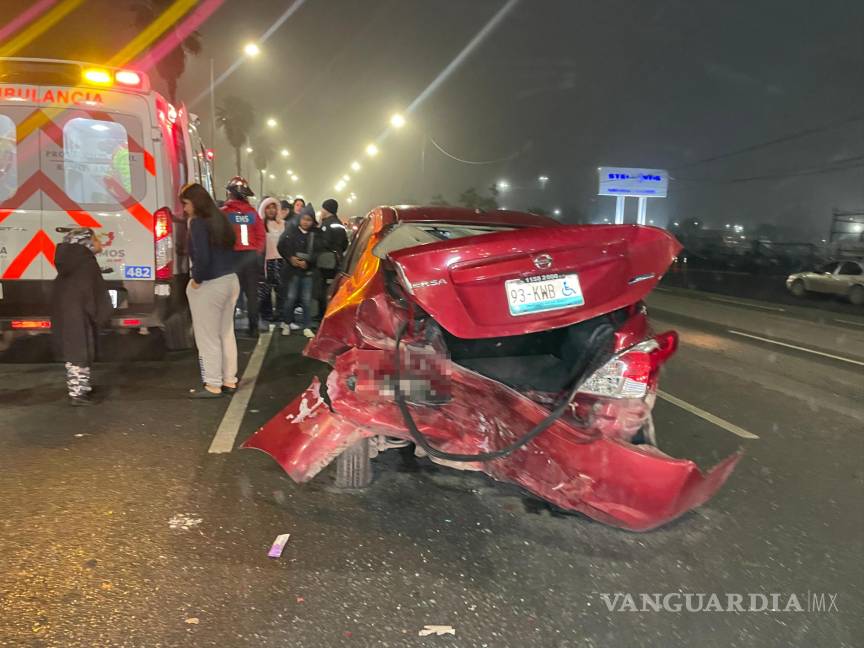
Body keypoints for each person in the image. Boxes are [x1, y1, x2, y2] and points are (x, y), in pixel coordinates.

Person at [181, 183, 240, 399]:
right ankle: (229, 380)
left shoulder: (197, 222)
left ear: (195, 202)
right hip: (231, 279)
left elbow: (202, 257)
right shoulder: (220, 218)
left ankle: (213, 384)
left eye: (186, 204)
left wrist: (196, 279)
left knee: (207, 337)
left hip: (210, 284)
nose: (184, 209)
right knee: (226, 333)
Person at [51, 228, 113, 406]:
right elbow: (93, 291)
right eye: (95, 240)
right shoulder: (86, 263)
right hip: (81, 312)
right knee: (80, 351)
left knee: (75, 349)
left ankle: (81, 388)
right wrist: (101, 313)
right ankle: (77, 394)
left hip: (69, 311)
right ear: (84, 243)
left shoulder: (70, 262)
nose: (99, 243)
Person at [222, 176, 265, 337]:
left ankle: (228, 330)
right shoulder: (252, 212)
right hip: (251, 257)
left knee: (230, 295)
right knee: (251, 295)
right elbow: (261, 235)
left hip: (232, 258)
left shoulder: (224, 213)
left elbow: (219, 236)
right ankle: (253, 329)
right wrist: (255, 252)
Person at [277, 205, 320, 338]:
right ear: (300, 218)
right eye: (304, 219)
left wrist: (308, 262)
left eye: (309, 220)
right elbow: (281, 246)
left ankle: (306, 326)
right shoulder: (291, 230)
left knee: (306, 300)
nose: (306, 222)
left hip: (308, 273)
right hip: (292, 272)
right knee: (290, 298)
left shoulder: (316, 234)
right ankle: (287, 323)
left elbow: (319, 252)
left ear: (313, 221)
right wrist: (291, 258)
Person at [316, 198, 349, 318]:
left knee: (322, 289)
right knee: (333, 288)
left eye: (323, 208)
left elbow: (323, 243)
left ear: (327, 209)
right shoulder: (339, 223)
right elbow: (345, 243)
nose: (321, 210)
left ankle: (323, 315)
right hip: (337, 260)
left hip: (326, 262)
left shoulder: (326, 224)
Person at [257, 196, 287, 327]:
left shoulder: (284, 224)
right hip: (266, 262)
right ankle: (267, 314)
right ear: (263, 209)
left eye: (273, 207)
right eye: (268, 207)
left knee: (281, 289)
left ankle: (280, 314)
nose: (271, 210)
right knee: (266, 289)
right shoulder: (260, 225)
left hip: (281, 261)